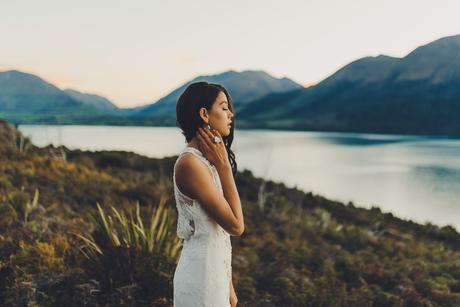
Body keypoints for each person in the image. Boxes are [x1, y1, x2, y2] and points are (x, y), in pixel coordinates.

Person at [173, 81, 244, 307]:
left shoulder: (206, 162)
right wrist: (224, 168)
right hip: (200, 279)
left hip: (214, 276)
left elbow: (218, 233)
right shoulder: (190, 164)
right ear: (204, 114)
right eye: (224, 108)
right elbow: (235, 225)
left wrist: (228, 286)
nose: (231, 114)